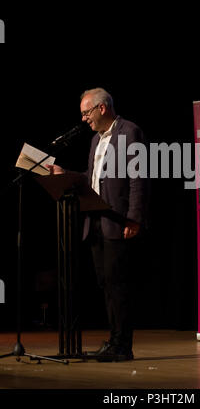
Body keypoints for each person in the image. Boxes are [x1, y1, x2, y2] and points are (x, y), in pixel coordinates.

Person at [47, 88, 148, 361]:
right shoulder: (95, 141)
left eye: (86, 113)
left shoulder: (130, 132)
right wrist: (64, 173)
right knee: (106, 284)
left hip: (117, 221)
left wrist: (134, 218)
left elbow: (139, 179)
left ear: (102, 108)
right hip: (94, 222)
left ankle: (122, 346)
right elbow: (89, 178)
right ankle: (114, 342)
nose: (83, 119)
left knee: (119, 286)